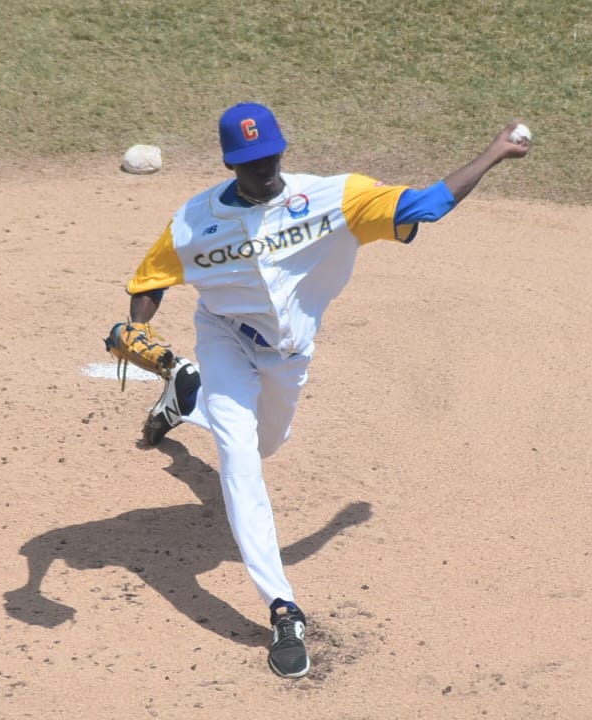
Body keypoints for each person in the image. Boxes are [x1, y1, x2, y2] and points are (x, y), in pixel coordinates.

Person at [118, 102, 530, 678]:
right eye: (248, 162)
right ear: (229, 162)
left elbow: (428, 205)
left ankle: (186, 393)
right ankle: (283, 610)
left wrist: (493, 152)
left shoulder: (335, 199)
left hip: (289, 357)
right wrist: (137, 325)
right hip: (223, 340)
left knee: (266, 445)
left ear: (282, 150)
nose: (261, 170)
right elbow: (151, 280)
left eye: (268, 158)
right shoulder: (192, 220)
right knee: (240, 461)